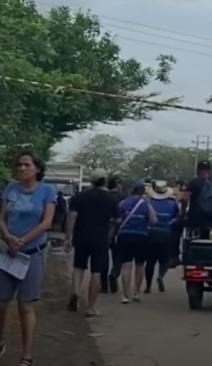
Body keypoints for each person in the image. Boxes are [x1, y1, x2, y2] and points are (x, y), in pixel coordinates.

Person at [0, 152, 56, 366]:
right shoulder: (11, 188)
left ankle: (27, 355)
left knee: (26, 306)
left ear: (37, 169)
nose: (22, 168)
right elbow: (1, 218)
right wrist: (7, 237)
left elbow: (47, 222)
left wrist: (21, 241)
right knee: (1, 303)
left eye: (27, 164)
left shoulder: (47, 191)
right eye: (19, 164)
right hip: (7, 252)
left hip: (32, 253)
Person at [64, 169, 119, 317]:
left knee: (78, 267)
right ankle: (91, 307)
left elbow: (72, 218)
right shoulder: (111, 199)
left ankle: (75, 292)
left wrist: (68, 238)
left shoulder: (80, 197)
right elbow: (115, 221)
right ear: (105, 181)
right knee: (96, 272)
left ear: (91, 181)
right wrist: (109, 236)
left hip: (81, 237)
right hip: (100, 239)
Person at [116, 183, 157, 304]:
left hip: (125, 235)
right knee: (140, 265)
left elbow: (117, 219)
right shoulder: (146, 204)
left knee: (126, 266)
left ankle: (125, 295)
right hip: (141, 236)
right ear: (143, 192)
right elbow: (154, 220)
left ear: (132, 190)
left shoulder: (123, 203)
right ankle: (137, 292)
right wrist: (145, 224)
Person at [145, 181, 179, 293]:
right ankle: (160, 276)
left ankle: (148, 286)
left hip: (151, 234)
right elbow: (176, 217)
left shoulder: (148, 202)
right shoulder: (172, 203)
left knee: (150, 262)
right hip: (166, 233)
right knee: (164, 260)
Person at [185, 160, 212, 239]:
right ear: (210, 171)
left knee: (192, 246)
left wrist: (183, 213)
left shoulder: (193, 182)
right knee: (208, 247)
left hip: (195, 222)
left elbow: (184, 199)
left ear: (198, 171)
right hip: (211, 224)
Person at [105, 176, 124, 294]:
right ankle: (114, 273)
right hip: (119, 231)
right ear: (118, 185)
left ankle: (102, 283)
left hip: (103, 230)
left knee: (103, 257)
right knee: (118, 257)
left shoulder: (104, 197)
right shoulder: (123, 197)